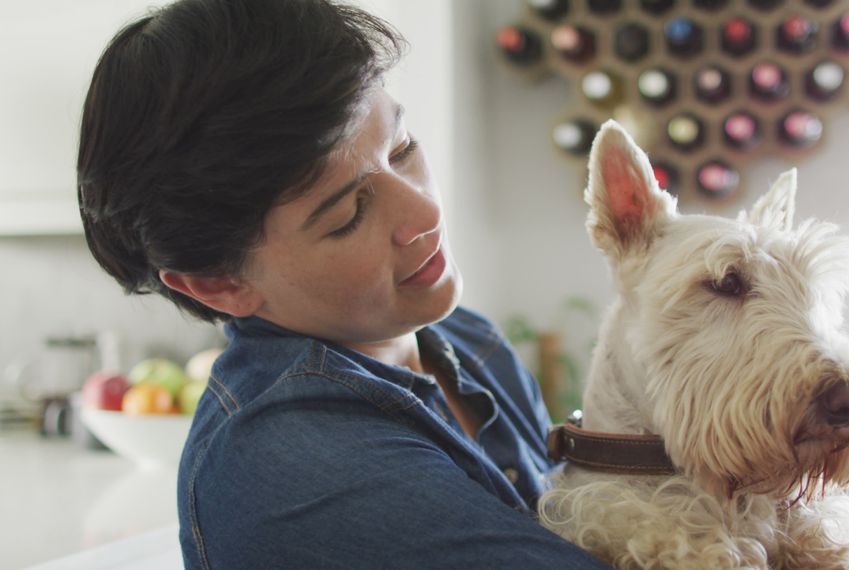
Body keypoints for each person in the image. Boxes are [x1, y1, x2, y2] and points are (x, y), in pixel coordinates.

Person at [76, 0, 607, 567]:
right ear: (219, 284)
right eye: (348, 214)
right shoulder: (290, 468)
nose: (424, 211)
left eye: (402, 149)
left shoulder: (463, 340)